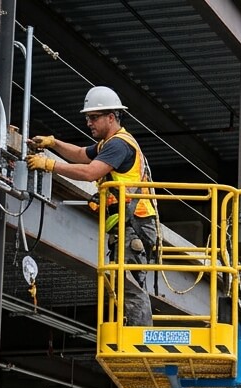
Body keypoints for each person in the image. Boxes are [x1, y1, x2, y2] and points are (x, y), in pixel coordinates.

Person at [27, 86, 158, 326]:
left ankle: (140, 338)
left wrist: (50, 165)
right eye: (88, 118)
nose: (89, 122)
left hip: (134, 225)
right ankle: (135, 331)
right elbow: (80, 154)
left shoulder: (119, 145)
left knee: (127, 282)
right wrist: (53, 143)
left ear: (111, 117)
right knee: (124, 281)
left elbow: (90, 172)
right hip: (127, 226)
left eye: (94, 117)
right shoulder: (109, 144)